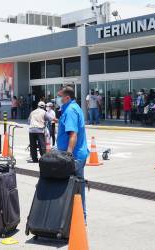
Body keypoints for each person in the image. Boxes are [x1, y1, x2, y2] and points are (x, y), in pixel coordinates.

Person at [55, 86, 89, 219]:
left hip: (73, 157)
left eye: (59, 96)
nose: (57, 98)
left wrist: (67, 156)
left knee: (71, 187)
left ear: (67, 97)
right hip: (77, 155)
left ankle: (75, 218)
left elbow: (73, 135)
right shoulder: (72, 108)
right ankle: (80, 217)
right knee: (77, 186)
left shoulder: (70, 110)